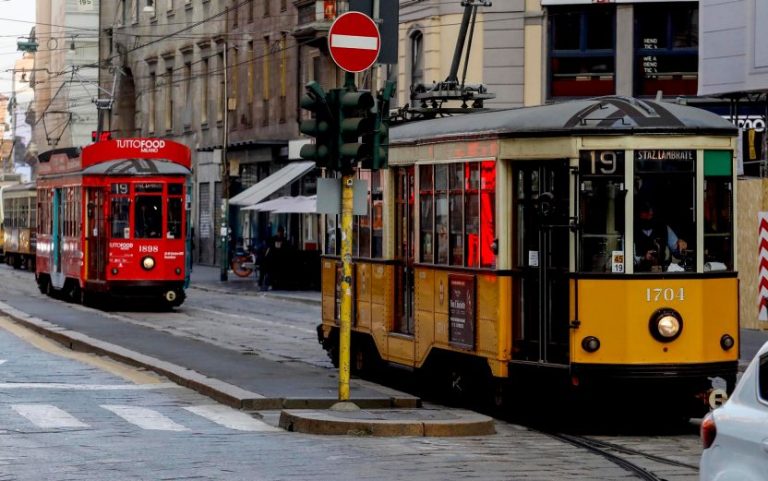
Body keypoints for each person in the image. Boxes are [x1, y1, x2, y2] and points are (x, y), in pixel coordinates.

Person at [634, 201, 688, 272]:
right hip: (638, 275)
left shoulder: (663, 228)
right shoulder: (632, 231)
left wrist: (681, 244)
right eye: (646, 211)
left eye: (650, 211)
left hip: (661, 274)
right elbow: (628, 259)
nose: (649, 214)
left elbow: (677, 251)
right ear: (639, 213)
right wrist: (643, 258)